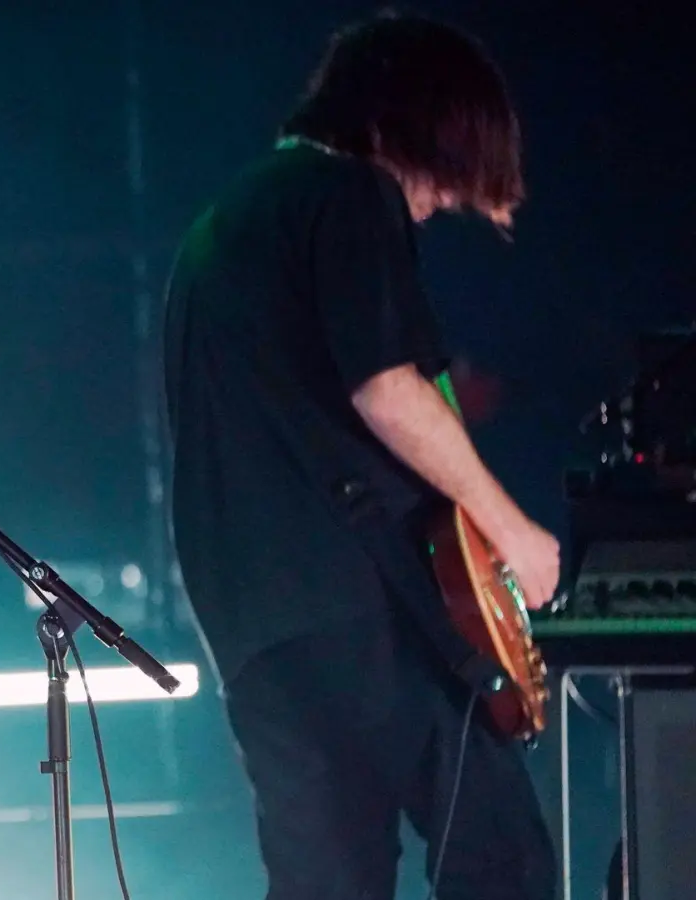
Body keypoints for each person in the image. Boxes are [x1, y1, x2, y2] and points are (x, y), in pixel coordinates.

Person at [160, 13, 558, 900]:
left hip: (258, 627)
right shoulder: (348, 192)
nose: (436, 205)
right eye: (445, 179)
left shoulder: (223, 227)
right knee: (503, 859)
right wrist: (514, 533)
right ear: (403, 126)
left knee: (327, 884)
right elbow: (388, 389)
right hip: (365, 612)